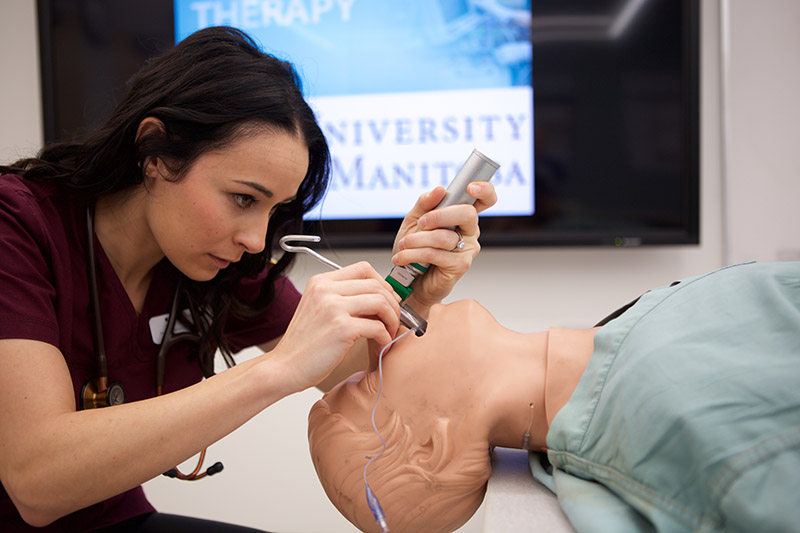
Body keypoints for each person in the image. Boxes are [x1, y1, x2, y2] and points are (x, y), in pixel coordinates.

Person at [0, 26, 497, 531]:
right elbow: (36, 483)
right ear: (155, 152)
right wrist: (278, 369)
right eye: (243, 198)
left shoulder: (217, 262)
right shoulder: (15, 225)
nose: (257, 240)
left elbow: (347, 373)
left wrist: (411, 290)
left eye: (273, 209)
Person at [308, 261, 800, 533]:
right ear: (434, 445)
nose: (379, 343)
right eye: (368, 383)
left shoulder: (619, 366)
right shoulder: (676, 417)